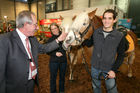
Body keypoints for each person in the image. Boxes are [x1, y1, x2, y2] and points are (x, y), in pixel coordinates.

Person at [0, 10, 67, 93]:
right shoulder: (4, 40)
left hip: (31, 84)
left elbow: (44, 49)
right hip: (14, 88)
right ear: (26, 25)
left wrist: (59, 39)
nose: (38, 27)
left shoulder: (33, 39)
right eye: (35, 24)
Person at [83, 9, 128, 93]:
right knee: (96, 88)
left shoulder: (119, 36)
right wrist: (82, 39)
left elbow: (121, 55)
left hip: (109, 70)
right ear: (102, 19)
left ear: (114, 20)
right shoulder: (96, 32)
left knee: (112, 89)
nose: (106, 21)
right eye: (104, 18)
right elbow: (89, 43)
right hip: (94, 68)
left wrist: (114, 70)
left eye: (109, 18)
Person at [47, 23, 67, 93]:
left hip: (63, 60)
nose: (54, 30)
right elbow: (47, 51)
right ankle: (53, 91)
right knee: (53, 78)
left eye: (55, 28)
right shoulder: (50, 39)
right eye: (52, 29)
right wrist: (55, 53)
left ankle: (61, 90)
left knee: (62, 77)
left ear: (58, 28)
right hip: (54, 61)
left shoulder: (64, 36)